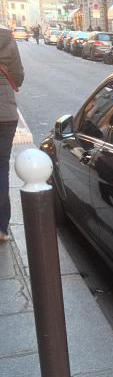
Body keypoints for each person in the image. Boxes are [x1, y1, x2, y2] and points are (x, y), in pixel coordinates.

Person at [0, 27, 24, 242]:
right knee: (1, 167)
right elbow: (18, 75)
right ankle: (1, 228)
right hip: (6, 113)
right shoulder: (6, 37)